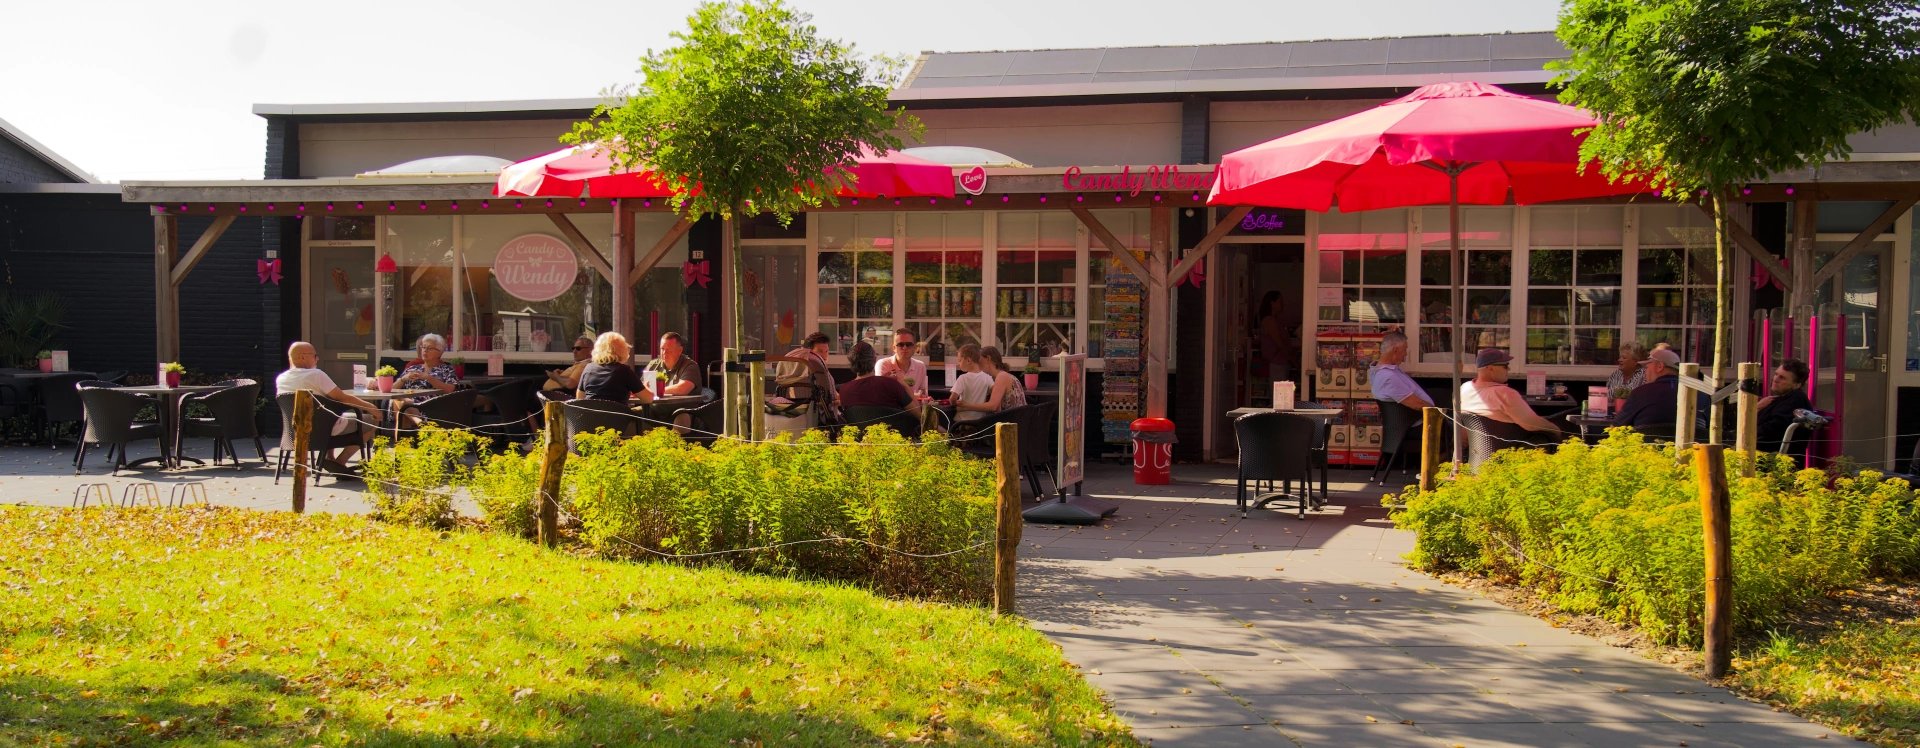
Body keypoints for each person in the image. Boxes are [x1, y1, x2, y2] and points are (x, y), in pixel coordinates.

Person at [276, 341, 383, 472]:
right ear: (302, 357)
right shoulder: (315, 374)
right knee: (372, 421)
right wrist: (372, 408)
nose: (318, 359)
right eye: (315, 355)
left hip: (295, 431)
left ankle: (329, 459)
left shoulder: (281, 378)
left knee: (329, 415)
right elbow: (341, 397)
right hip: (323, 429)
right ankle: (340, 461)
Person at [1459, 348, 1561, 438]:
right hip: (1511, 450)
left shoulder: (1465, 388)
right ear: (1490, 368)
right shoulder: (1504, 394)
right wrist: (1556, 429)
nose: (1509, 369)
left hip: (1477, 451)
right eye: (1505, 366)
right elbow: (1532, 424)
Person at [1613, 347, 1700, 434]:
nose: (1644, 372)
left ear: (1659, 366)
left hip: (1646, 446)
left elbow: (1617, 427)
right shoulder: (1700, 394)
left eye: (1646, 367)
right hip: (1691, 447)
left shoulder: (1641, 393)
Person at [953, 345, 1027, 419]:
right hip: (1016, 421)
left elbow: (993, 406)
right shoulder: (998, 377)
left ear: (988, 358)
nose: (977, 363)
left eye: (979, 359)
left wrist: (965, 406)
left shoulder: (1002, 376)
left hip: (1014, 424)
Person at [1757, 359, 1813, 453]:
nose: (1775, 379)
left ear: (1796, 385)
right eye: (1776, 374)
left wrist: (1756, 409)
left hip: (1772, 459)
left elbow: (1766, 434)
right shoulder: (1781, 398)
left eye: (1782, 378)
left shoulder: (1795, 402)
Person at [575, 332, 649, 403]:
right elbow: (647, 399)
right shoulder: (624, 371)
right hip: (617, 415)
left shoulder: (588, 368)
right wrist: (646, 387)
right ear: (622, 350)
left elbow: (579, 398)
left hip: (592, 415)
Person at [779, 332, 839, 417]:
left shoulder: (792, 368)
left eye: (826, 351)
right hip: (820, 416)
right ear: (809, 353)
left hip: (791, 413)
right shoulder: (815, 370)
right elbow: (831, 399)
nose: (825, 356)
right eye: (820, 351)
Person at [1369, 331, 1433, 409]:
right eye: (1404, 350)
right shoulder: (1388, 376)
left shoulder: (1383, 370)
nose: (1405, 354)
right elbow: (1417, 404)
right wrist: (1439, 414)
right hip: (1418, 418)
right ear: (1395, 350)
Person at [838, 341, 912, 409]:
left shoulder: (844, 391)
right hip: (891, 423)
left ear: (851, 362)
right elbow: (918, 413)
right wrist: (903, 383)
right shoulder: (892, 384)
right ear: (874, 359)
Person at [640, 332, 701, 397]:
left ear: (680, 350)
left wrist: (654, 391)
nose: (664, 353)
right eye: (662, 349)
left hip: (680, 406)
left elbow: (682, 389)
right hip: (652, 406)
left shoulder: (690, 366)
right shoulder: (653, 365)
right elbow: (640, 387)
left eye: (669, 350)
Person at [948, 344, 996, 424]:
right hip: (980, 421)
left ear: (968, 360)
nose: (958, 364)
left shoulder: (963, 378)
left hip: (962, 420)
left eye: (959, 360)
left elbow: (952, 399)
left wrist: (956, 404)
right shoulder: (988, 378)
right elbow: (994, 392)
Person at [876, 327, 928, 399]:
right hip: (891, 408)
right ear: (894, 348)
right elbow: (882, 394)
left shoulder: (920, 366)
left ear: (915, 348)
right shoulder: (883, 364)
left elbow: (923, 393)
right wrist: (914, 396)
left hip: (913, 409)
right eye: (900, 344)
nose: (904, 348)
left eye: (909, 344)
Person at [1255, 291, 1289, 382]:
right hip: (1276, 364)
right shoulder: (1270, 321)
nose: (1282, 304)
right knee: (1280, 394)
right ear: (1272, 303)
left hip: (1279, 363)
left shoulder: (1275, 320)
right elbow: (1280, 344)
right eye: (1280, 301)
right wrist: (1293, 360)